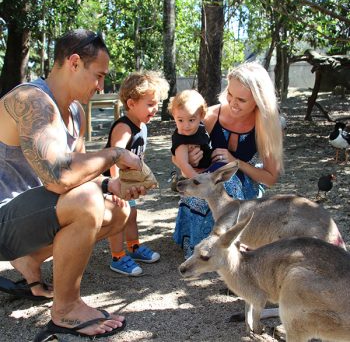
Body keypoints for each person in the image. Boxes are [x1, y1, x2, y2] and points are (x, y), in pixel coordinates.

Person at [0, 29, 146, 339]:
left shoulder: (75, 112)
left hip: (25, 218)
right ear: (75, 62)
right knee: (86, 201)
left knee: (116, 212)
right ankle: (65, 310)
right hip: (3, 215)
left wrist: (113, 187)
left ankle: (28, 260)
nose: (101, 86)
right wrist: (116, 153)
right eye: (99, 76)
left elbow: (82, 174)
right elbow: (60, 177)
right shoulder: (31, 99)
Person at [172, 62, 284, 258]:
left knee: (228, 183)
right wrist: (188, 160)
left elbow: (270, 178)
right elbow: (177, 156)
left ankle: (227, 246)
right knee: (212, 185)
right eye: (230, 95)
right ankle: (200, 245)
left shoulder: (266, 125)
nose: (232, 103)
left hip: (241, 187)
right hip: (205, 180)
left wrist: (237, 162)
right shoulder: (210, 115)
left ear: (258, 101)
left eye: (241, 99)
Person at [105, 71, 169, 276]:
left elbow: (138, 155)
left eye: (157, 103)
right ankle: (117, 256)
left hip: (129, 182)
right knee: (119, 217)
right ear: (131, 104)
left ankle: (133, 247)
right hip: (113, 183)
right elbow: (115, 155)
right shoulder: (124, 127)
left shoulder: (143, 125)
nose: (156, 109)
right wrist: (115, 187)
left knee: (132, 214)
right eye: (150, 104)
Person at [169, 89, 225, 178]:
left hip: (210, 167)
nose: (186, 126)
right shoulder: (181, 141)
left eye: (191, 120)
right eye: (180, 120)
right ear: (174, 115)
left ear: (202, 115)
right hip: (197, 175)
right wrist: (198, 179)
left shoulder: (201, 127)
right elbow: (183, 165)